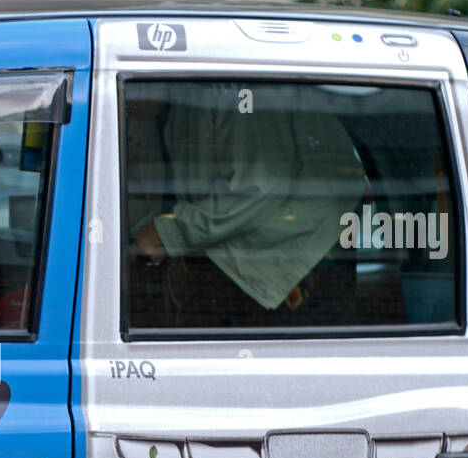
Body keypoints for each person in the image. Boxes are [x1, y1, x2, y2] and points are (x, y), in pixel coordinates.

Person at [127, 83, 365, 326]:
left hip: (294, 253)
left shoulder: (233, 89)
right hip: (242, 247)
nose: (128, 104)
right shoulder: (160, 109)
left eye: (133, 92)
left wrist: (169, 233)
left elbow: (257, 186)